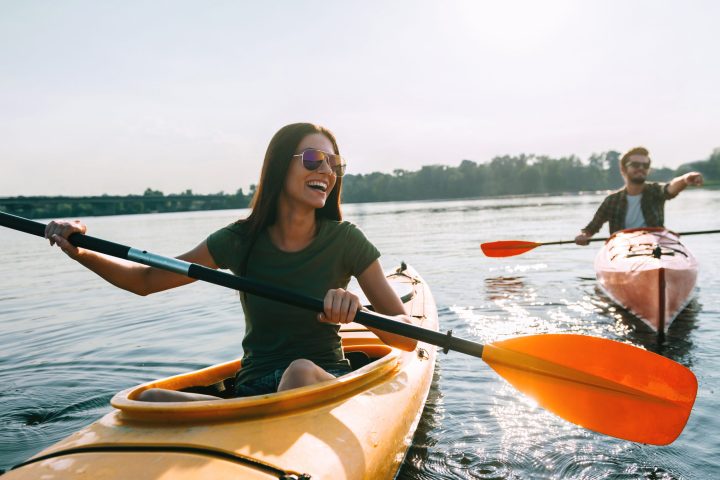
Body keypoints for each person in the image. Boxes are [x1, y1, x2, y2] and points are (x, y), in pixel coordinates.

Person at [44, 122, 417, 401]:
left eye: (334, 163)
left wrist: (356, 311)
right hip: (252, 389)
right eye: (313, 159)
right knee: (147, 398)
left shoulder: (346, 240)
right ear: (278, 167)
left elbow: (405, 337)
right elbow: (144, 280)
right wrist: (80, 249)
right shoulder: (239, 240)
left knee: (299, 371)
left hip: (319, 379)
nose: (326, 171)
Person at [575, 146, 704, 245]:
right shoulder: (612, 201)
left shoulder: (655, 191)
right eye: (635, 165)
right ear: (623, 169)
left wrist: (686, 179)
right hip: (622, 249)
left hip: (655, 246)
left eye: (645, 165)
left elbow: (670, 188)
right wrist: (584, 235)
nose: (641, 168)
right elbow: (591, 228)